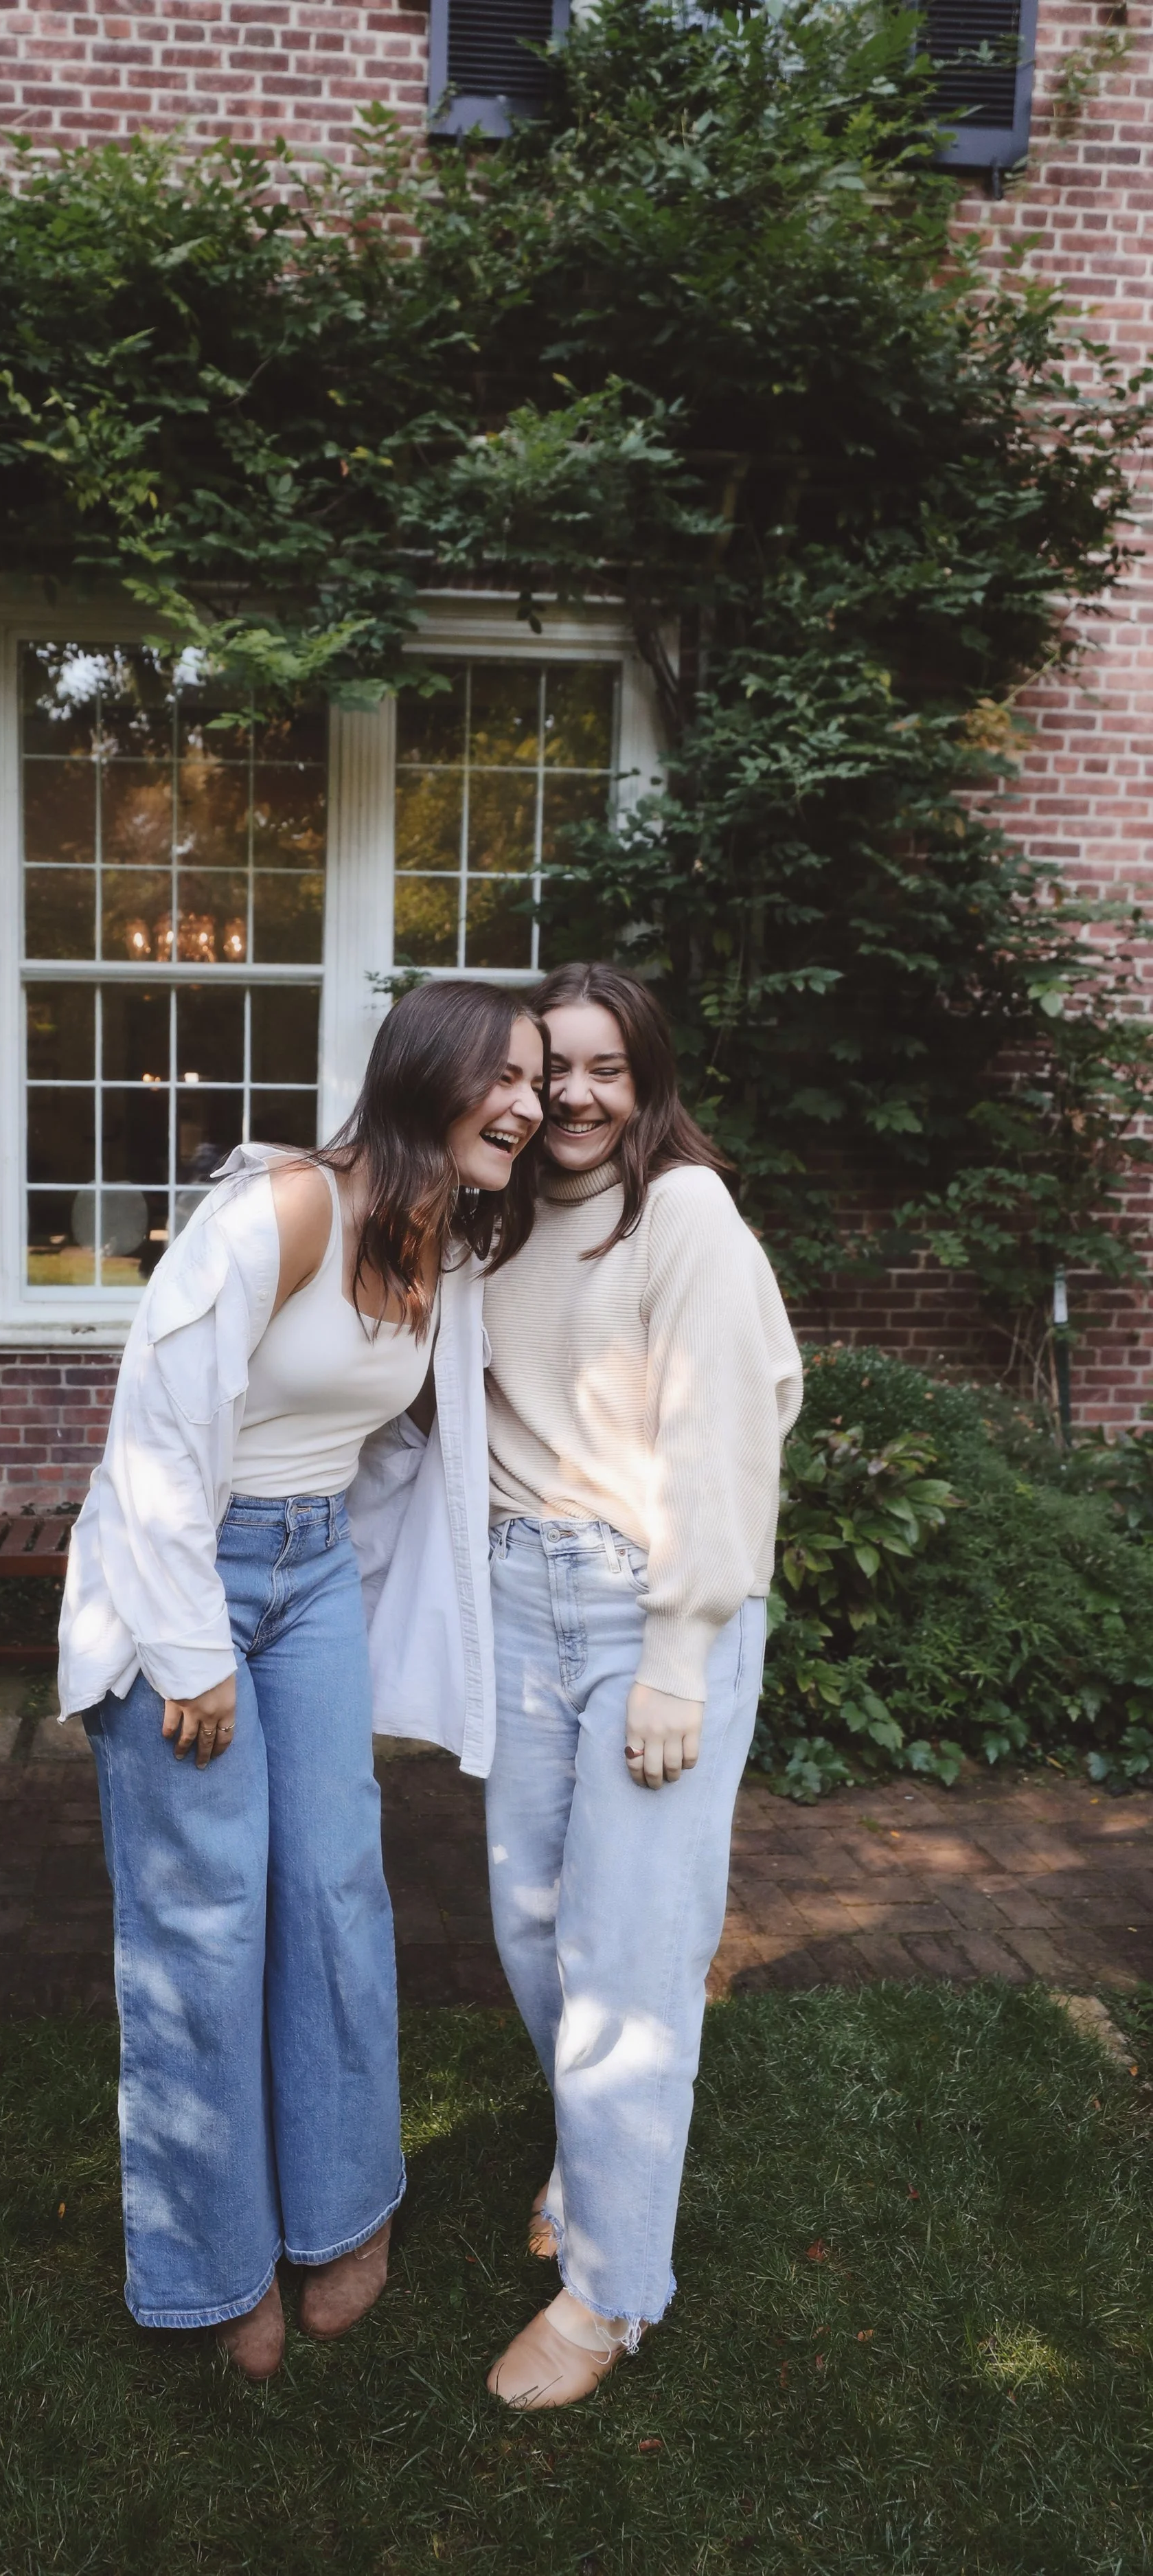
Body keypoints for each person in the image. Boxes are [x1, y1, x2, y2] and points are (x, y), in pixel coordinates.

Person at [58, 979, 545, 2381]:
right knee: (202, 1923)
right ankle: (212, 2264)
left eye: (534, 1080)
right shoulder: (284, 1208)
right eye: (497, 1076)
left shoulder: (443, 1237)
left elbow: (385, 1437)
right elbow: (152, 1427)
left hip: (313, 1572)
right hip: (186, 1582)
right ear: (423, 1073)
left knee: (333, 1889)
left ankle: (340, 2214)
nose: (522, 1102)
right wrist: (189, 1647)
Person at [479, 961, 803, 2409]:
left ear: (646, 1077)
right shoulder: (491, 1223)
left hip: (639, 1617)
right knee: (532, 1927)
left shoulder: (682, 1216)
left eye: (605, 1067)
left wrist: (678, 1654)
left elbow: (735, 1435)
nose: (573, 1093)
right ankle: (589, 2143)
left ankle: (611, 2293)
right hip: (512, 1603)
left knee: (626, 1961)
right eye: (550, 1065)